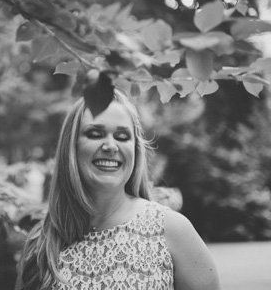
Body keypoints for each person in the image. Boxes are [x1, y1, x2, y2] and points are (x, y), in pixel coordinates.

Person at [16, 89, 221, 290]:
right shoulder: (41, 243)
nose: (111, 146)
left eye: (122, 137)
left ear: (135, 150)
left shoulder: (171, 230)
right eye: (95, 134)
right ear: (72, 147)